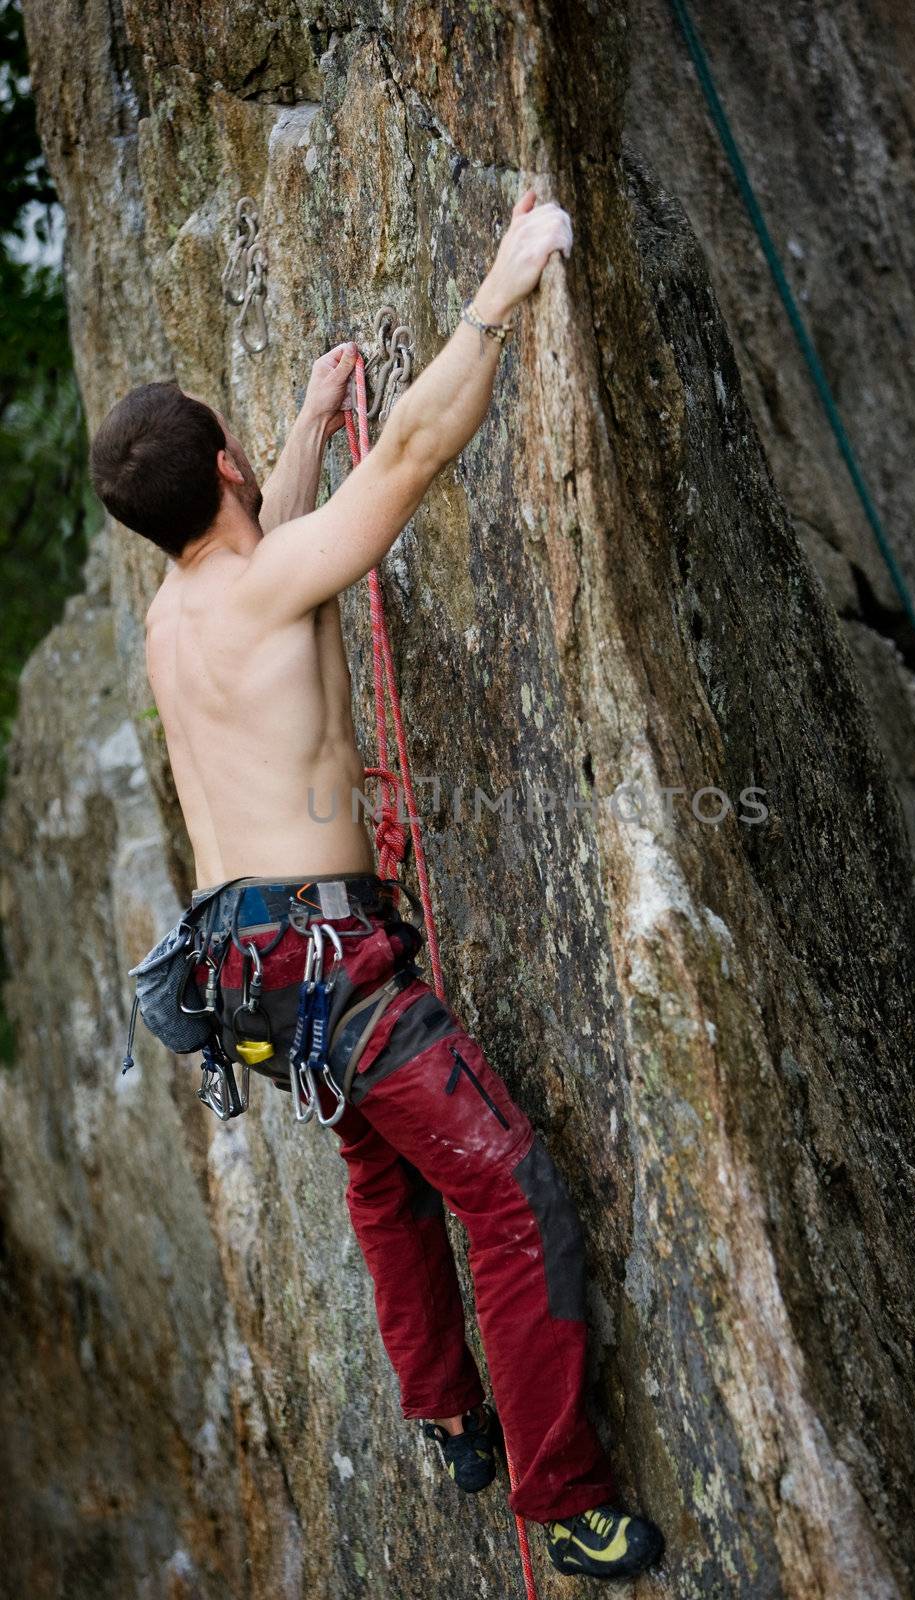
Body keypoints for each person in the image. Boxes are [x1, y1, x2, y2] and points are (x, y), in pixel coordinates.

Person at [89, 188, 664, 1580]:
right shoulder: (265, 581)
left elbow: (267, 531)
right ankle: (563, 1498)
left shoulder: (181, 613)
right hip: (334, 973)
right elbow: (405, 456)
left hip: (256, 988)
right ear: (220, 466)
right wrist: (502, 286)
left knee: (386, 1178)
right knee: (513, 1192)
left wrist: (293, 419)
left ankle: (443, 1414)